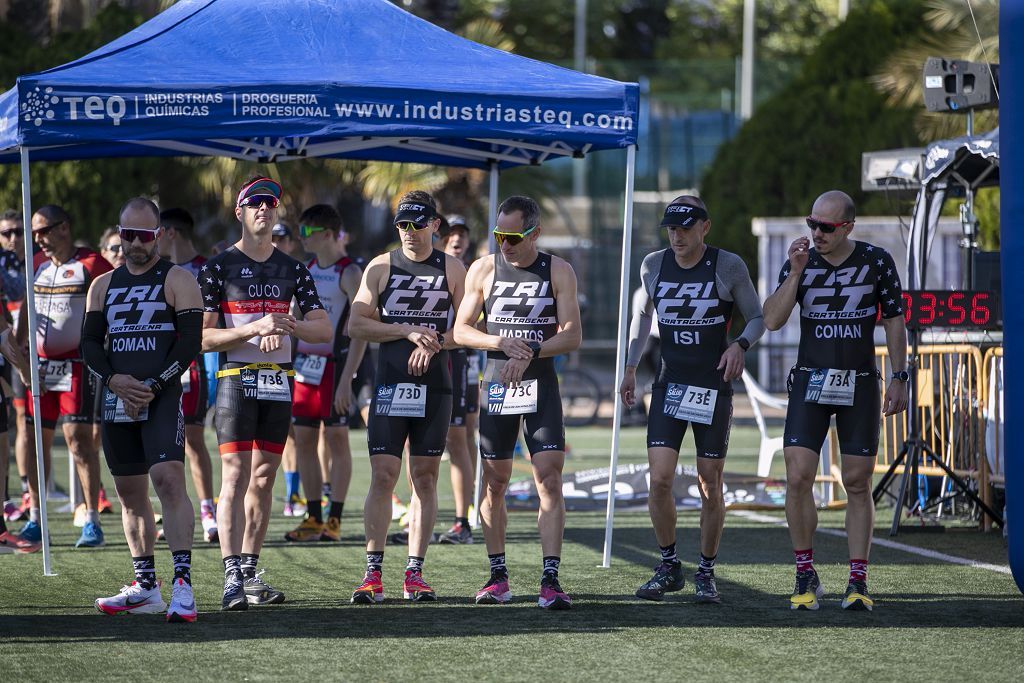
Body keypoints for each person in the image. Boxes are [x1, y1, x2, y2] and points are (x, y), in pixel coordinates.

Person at [763, 190, 908, 612]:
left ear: (847, 227)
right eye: (812, 224)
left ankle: (858, 580)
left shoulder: (876, 260)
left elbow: (895, 320)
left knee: (858, 480)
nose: (816, 233)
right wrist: (794, 273)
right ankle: (805, 571)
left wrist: (899, 377)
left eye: (826, 227)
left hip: (859, 382)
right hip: (811, 381)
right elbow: (772, 320)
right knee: (797, 476)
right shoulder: (800, 261)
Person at [619, 196, 765, 604]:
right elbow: (642, 315)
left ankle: (706, 570)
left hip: (712, 387)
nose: (678, 235)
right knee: (660, 478)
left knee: (709, 483)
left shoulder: (728, 265)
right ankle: (669, 565)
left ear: (705, 226)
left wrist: (740, 346)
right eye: (671, 228)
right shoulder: (653, 265)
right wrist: (631, 367)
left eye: (686, 227)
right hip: (670, 383)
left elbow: (757, 316)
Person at [200, 176, 331, 610]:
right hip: (235, 380)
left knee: (264, 478)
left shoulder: (293, 268)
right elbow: (201, 337)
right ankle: (231, 574)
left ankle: (251, 573)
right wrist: (256, 327)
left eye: (271, 202)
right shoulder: (218, 266)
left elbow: (324, 328)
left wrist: (286, 324)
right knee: (235, 476)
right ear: (239, 212)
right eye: (255, 203)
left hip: (279, 380)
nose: (264, 209)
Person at [453, 195, 581, 610]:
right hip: (497, 384)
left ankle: (550, 578)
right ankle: (497, 576)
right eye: (498, 235)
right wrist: (501, 343)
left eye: (513, 236)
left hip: (541, 383)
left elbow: (572, 334)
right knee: (494, 482)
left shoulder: (558, 270)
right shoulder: (484, 269)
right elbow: (460, 330)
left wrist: (529, 350)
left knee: (549, 478)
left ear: (535, 233)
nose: (505, 244)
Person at [82, 197, 202, 621]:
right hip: (116, 397)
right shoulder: (102, 285)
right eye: (127, 234)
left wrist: (154, 384)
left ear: (158, 235)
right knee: (130, 494)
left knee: (169, 480)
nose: (134, 242)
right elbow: (91, 345)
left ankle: (183, 584)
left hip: (161, 395)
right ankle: (146, 586)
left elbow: (189, 343)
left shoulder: (179, 279)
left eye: (144, 235)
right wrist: (114, 380)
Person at [348, 191, 465, 603]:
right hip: (392, 383)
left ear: (435, 224)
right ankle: (372, 572)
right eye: (403, 225)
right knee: (383, 475)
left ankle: (415, 571)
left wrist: (434, 342)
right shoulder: (381, 267)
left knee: (425, 478)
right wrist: (403, 330)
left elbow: (471, 326)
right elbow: (356, 324)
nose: (410, 232)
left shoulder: (453, 268)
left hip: (436, 386)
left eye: (418, 224)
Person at [14, 205, 112, 548]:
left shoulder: (91, 263)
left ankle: (92, 519)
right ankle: (36, 520)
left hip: (75, 366)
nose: (37, 239)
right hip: (38, 368)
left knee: (78, 442)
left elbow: (114, 300)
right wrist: (19, 345)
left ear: (64, 228)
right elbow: (28, 304)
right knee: (35, 443)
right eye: (34, 233)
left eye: (43, 230)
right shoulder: (38, 264)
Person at [283, 204, 366, 543]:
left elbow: (359, 331)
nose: (301, 238)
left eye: (306, 232)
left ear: (328, 234)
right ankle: (313, 516)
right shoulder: (306, 269)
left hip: (336, 368)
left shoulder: (350, 272)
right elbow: (294, 320)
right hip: (305, 368)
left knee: (336, 440)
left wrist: (348, 380)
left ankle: (334, 518)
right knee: (303, 440)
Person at [158, 207, 218, 543]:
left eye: (155, 232)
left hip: (195, 367)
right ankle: (174, 509)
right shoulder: (159, 270)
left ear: (169, 232)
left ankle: (208, 509)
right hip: (160, 366)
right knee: (165, 440)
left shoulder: (206, 268)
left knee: (194, 438)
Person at [437, 214, 478, 544]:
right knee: (413, 439)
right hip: (423, 360)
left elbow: (476, 326)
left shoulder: (474, 271)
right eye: (451, 233)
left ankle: (463, 519)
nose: (456, 239)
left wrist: (439, 341)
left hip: (459, 361)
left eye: (462, 234)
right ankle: (414, 516)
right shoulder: (429, 268)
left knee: (460, 437)